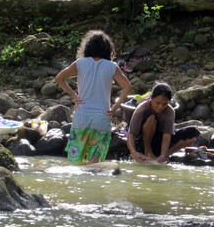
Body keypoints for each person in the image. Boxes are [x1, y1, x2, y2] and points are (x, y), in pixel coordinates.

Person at [55, 30, 132, 164]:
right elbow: (127, 86)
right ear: (108, 49)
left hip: (82, 114)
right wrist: (115, 107)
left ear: (88, 47)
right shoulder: (112, 66)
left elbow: (59, 78)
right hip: (102, 115)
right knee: (95, 158)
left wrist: (74, 95)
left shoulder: (80, 63)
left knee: (75, 156)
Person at [127, 82, 200, 163]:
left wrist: (163, 154)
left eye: (164, 104)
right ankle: (148, 152)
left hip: (159, 142)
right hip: (142, 142)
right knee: (151, 119)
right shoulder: (142, 109)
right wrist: (134, 152)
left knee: (193, 132)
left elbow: (167, 135)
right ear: (152, 99)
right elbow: (131, 133)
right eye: (157, 103)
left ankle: (166, 155)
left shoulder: (170, 111)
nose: (160, 107)